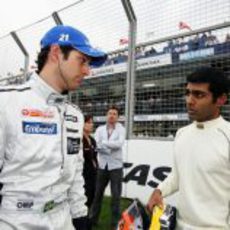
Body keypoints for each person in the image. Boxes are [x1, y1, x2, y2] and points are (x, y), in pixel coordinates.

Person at [0, 25, 107, 230]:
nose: (87, 70)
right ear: (56, 53)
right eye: (82, 60)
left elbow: (75, 173)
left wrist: (80, 217)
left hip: (64, 220)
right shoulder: (7, 102)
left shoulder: (75, 115)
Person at [147, 66, 230, 229]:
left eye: (199, 95)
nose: (189, 101)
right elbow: (178, 176)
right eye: (188, 93)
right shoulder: (182, 134)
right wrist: (159, 191)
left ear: (221, 99)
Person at [89, 106, 125, 229]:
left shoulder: (121, 129)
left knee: (116, 196)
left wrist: (104, 144)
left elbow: (119, 144)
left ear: (118, 117)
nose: (112, 115)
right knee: (97, 194)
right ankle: (93, 219)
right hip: (102, 166)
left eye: (114, 114)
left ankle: (115, 223)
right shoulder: (99, 129)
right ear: (106, 115)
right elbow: (96, 145)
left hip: (116, 167)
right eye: (110, 113)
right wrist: (109, 147)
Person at [82, 115, 98, 213]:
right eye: (88, 122)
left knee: (92, 196)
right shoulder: (78, 139)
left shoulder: (92, 140)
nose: (91, 125)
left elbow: (94, 157)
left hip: (93, 174)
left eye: (92, 122)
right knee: (84, 198)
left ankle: (88, 219)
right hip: (83, 174)